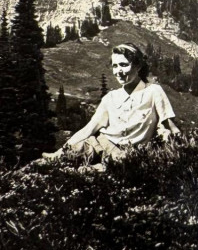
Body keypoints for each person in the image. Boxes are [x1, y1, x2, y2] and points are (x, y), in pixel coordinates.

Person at [46, 43, 180, 163]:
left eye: (124, 65)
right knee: (69, 156)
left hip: (128, 156)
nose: (118, 71)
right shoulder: (110, 98)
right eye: (115, 66)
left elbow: (169, 125)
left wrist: (182, 145)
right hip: (99, 146)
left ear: (138, 66)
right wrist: (60, 152)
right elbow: (89, 129)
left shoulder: (153, 91)